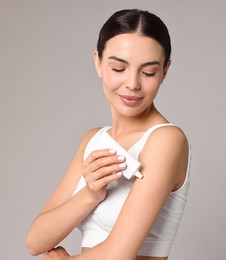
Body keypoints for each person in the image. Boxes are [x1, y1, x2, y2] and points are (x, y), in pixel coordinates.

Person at [26, 9, 190, 260]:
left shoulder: (166, 140)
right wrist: (90, 194)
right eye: (118, 68)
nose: (132, 83)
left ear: (165, 71)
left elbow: (119, 254)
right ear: (98, 62)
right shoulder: (93, 140)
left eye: (148, 72)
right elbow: (36, 241)